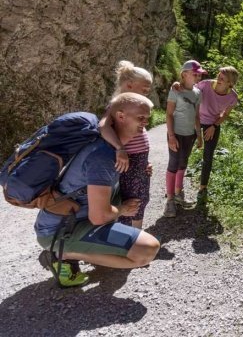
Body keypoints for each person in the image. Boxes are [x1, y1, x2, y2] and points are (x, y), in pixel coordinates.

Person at [35, 93, 160, 287]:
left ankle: (87, 249)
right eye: (140, 118)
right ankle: (60, 253)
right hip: (58, 231)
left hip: (75, 221)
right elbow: (99, 217)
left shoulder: (111, 148)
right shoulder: (103, 156)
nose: (145, 122)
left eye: (147, 118)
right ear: (120, 116)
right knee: (147, 251)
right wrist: (123, 209)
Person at [173, 66, 239, 208]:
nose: (218, 79)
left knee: (208, 157)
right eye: (219, 76)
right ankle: (177, 189)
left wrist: (214, 126)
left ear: (230, 83)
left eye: (222, 78)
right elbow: (189, 90)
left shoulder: (233, 96)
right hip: (193, 121)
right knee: (184, 154)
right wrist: (179, 85)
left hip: (212, 125)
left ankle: (202, 189)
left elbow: (225, 114)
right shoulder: (205, 84)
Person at [99, 60, 153, 229]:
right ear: (129, 85)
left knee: (141, 198)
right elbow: (103, 126)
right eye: (144, 90)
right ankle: (129, 237)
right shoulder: (117, 105)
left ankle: (136, 234)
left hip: (139, 162)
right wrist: (120, 148)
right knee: (131, 202)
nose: (146, 94)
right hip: (128, 162)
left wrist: (145, 161)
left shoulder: (134, 106)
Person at [164, 60, 204, 217]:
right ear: (184, 74)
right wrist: (171, 136)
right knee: (173, 164)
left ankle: (178, 193)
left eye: (199, 74)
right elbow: (168, 114)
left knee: (183, 163)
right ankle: (170, 201)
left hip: (190, 135)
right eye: (195, 74)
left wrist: (199, 136)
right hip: (176, 134)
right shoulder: (175, 90)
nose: (198, 77)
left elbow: (196, 116)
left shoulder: (198, 93)